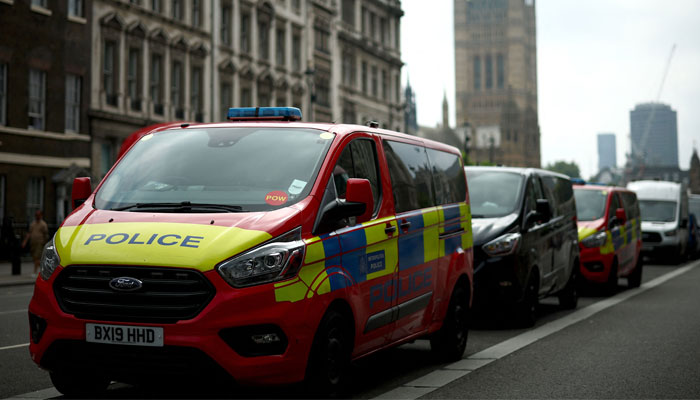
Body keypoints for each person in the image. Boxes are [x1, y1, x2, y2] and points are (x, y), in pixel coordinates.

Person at [22, 210, 49, 276]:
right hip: (33, 243)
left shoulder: (43, 224)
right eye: (36, 215)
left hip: (40, 243)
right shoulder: (33, 224)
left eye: (38, 215)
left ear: (41, 215)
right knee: (34, 258)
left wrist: (45, 243)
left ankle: (35, 272)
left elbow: (46, 234)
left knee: (37, 257)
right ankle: (45, 269)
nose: (37, 216)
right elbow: (29, 233)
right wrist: (24, 242)